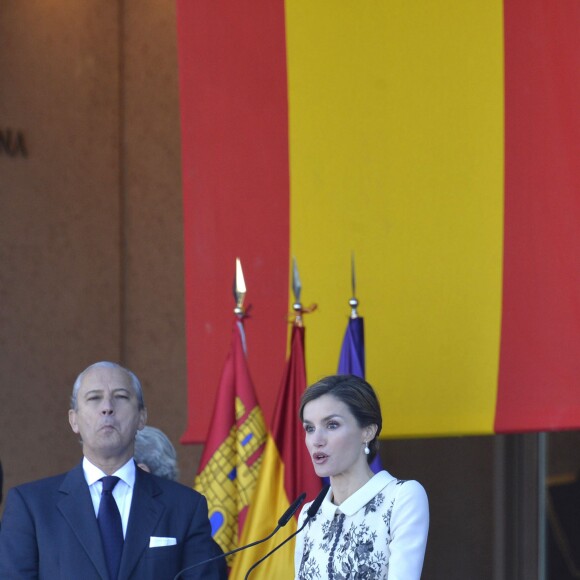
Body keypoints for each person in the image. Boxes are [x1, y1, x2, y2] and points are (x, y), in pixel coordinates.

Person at [0, 361, 226, 580]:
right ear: (74, 420)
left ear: (141, 417)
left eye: (120, 397)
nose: (107, 407)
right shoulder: (31, 506)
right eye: (94, 398)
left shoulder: (185, 507)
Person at [294, 374, 429, 580]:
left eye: (332, 425)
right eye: (310, 428)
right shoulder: (309, 515)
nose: (316, 440)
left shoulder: (402, 497)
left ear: (367, 432)